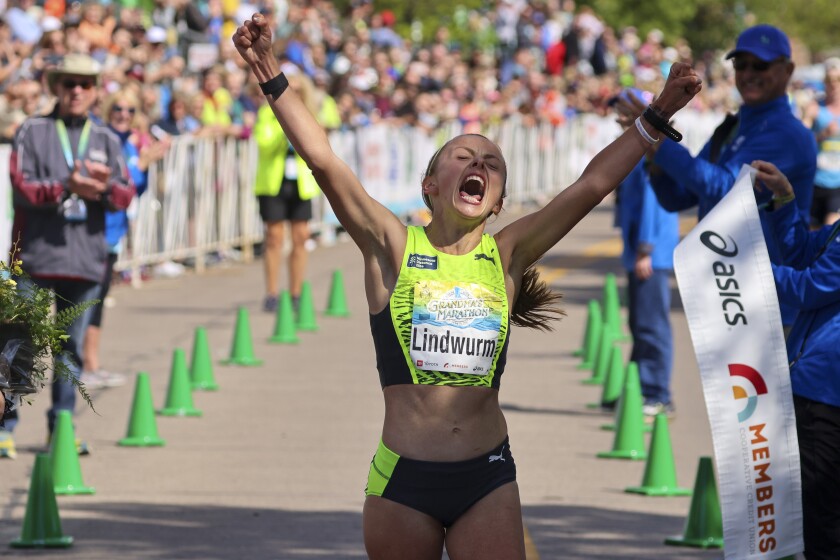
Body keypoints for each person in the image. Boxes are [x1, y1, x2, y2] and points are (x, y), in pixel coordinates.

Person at [234, 13, 701, 558]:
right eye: (463, 156)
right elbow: (322, 159)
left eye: (492, 164)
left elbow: (591, 185)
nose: (479, 163)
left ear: (498, 201)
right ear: (431, 185)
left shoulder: (506, 255)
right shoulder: (391, 246)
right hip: (402, 484)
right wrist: (267, 67)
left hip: (486, 479)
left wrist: (658, 113)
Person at [616, 24, 817, 330]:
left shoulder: (790, 135)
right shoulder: (732, 128)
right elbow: (678, 197)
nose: (748, 73)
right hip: (729, 298)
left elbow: (728, 190)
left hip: (772, 306)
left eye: (760, 64)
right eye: (741, 64)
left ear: (787, 70)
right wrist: (651, 153)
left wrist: (655, 136)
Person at [3, 53, 135, 452]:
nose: (77, 91)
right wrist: (67, 186)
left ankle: (60, 427)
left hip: (85, 261)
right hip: (35, 257)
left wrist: (104, 189)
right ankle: (6, 426)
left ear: (95, 92)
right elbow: (22, 186)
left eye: (85, 84)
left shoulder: (106, 138)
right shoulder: (32, 130)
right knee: (16, 344)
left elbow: (125, 193)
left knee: (69, 351)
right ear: (56, 87)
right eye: (69, 84)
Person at [752, 159, 840, 560]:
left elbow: (807, 287)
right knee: (813, 514)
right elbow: (803, 252)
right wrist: (785, 200)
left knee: (822, 520)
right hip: (815, 385)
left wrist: (748, 271)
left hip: (827, 393)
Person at [81, 87, 168, 389]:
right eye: (117, 109)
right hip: (95, 230)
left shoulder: (129, 146)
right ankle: (85, 365)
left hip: (114, 231)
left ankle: (91, 363)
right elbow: (114, 186)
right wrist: (140, 167)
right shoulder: (103, 142)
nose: (123, 115)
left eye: (130, 111)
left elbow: (132, 191)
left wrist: (143, 165)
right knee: (88, 300)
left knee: (99, 299)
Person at [613, 90, 680, 417]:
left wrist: (646, 249)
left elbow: (654, 202)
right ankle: (637, 387)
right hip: (640, 250)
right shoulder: (637, 145)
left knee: (652, 324)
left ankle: (657, 392)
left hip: (649, 253)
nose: (617, 116)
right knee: (640, 322)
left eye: (624, 110)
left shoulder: (649, 146)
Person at [253, 72, 321, 313]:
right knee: (274, 237)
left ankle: (295, 292)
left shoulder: (310, 115)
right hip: (273, 182)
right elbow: (263, 142)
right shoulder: (266, 114)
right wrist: (285, 128)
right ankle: (271, 292)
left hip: (302, 183)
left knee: (301, 236)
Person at [803, 57, 840, 227]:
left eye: (837, 79)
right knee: (813, 232)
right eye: (829, 79)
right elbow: (799, 142)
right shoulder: (815, 108)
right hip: (816, 180)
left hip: (838, 183)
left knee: (831, 229)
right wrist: (822, 134)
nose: (833, 84)